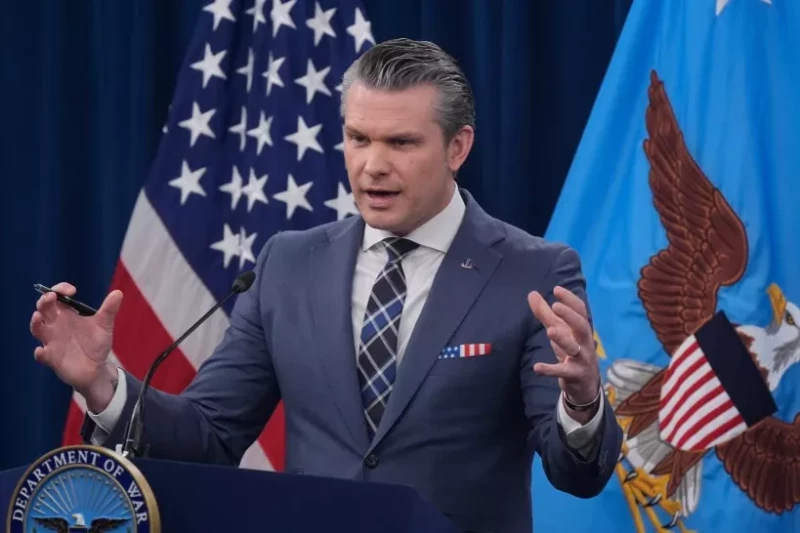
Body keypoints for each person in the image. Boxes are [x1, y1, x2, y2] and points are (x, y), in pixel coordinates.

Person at [30, 38, 622, 533]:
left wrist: (582, 401)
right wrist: (103, 383)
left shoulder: (532, 272)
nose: (372, 165)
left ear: (457, 147)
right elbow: (209, 435)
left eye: (401, 142)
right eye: (358, 138)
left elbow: (576, 473)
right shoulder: (288, 264)